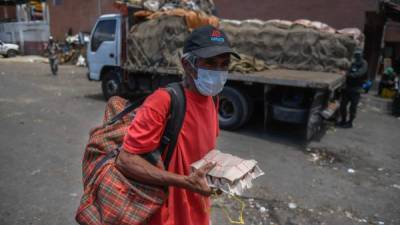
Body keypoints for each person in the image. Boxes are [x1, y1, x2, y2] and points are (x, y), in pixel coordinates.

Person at [115, 25, 240, 225]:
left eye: (224, 64)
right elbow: (125, 160)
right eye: (210, 63)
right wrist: (184, 182)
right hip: (166, 216)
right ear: (187, 64)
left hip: (198, 211)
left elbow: (202, 152)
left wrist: (223, 173)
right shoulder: (163, 101)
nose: (218, 71)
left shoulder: (213, 99)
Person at [338, 49, 368, 128]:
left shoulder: (364, 63)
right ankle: (343, 120)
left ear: (362, 55)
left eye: (358, 54)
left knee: (353, 107)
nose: (357, 56)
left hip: (356, 89)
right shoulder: (353, 63)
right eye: (356, 55)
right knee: (342, 105)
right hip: (347, 87)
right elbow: (347, 70)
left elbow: (359, 73)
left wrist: (348, 74)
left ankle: (350, 122)